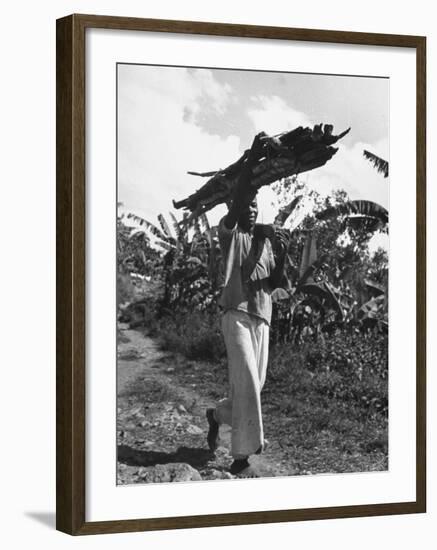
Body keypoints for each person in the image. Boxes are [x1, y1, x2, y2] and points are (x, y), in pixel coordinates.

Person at [206, 132, 290, 477]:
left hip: (262, 319)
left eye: (256, 208)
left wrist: (281, 250)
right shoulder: (230, 234)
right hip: (236, 316)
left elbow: (274, 283)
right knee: (248, 383)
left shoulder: (265, 243)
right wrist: (254, 156)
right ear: (237, 210)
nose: (251, 211)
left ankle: (215, 416)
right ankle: (241, 456)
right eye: (247, 208)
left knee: (250, 387)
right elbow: (240, 198)